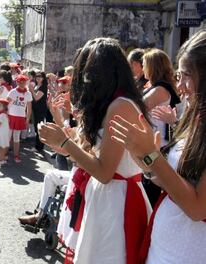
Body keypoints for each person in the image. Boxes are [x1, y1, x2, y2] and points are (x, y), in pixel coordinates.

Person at [38, 38, 152, 264]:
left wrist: (65, 144)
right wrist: (62, 135)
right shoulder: (112, 103)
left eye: (87, 74)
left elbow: (105, 171)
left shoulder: (120, 106)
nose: (83, 80)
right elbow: (91, 157)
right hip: (106, 198)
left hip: (117, 204)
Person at [109, 30, 206, 264]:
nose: (179, 86)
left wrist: (153, 157)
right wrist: (144, 159)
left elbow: (197, 209)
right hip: (168, 247)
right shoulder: (196, 120)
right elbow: (172, 180)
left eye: (185, 76)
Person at [142, 49, 180, 206]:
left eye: (144, 64)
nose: (143, 67)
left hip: (158, 150)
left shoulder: (160, 90)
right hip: (158, 148)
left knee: (149, 194)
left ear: (152, 66)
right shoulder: (160, 88)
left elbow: (135, 108)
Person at [7, 74, 32, 163]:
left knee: (17, 138)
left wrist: (27, 119)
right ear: (17, 82)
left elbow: (29, 107)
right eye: (20, 82)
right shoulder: (13, 92)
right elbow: (6, 104)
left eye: (24, 82)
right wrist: (5, 115)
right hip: (10, 116)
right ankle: (4, 154)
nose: (22, 84)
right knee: (8, 136)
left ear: (26, 82)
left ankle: (16, 155)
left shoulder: (28, 94)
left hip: (21, 117)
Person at [29, 71, 48, 151]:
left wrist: (32, 90)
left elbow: (36, 98)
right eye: (36, 76)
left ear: (43, 78)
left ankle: (39, 146)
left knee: (39, 127)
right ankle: (38, 145)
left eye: (40, 77)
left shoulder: (43, 87)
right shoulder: (37, 85)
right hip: (35, 109)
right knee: (36, 127)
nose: (38, 78)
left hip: (40, 110)